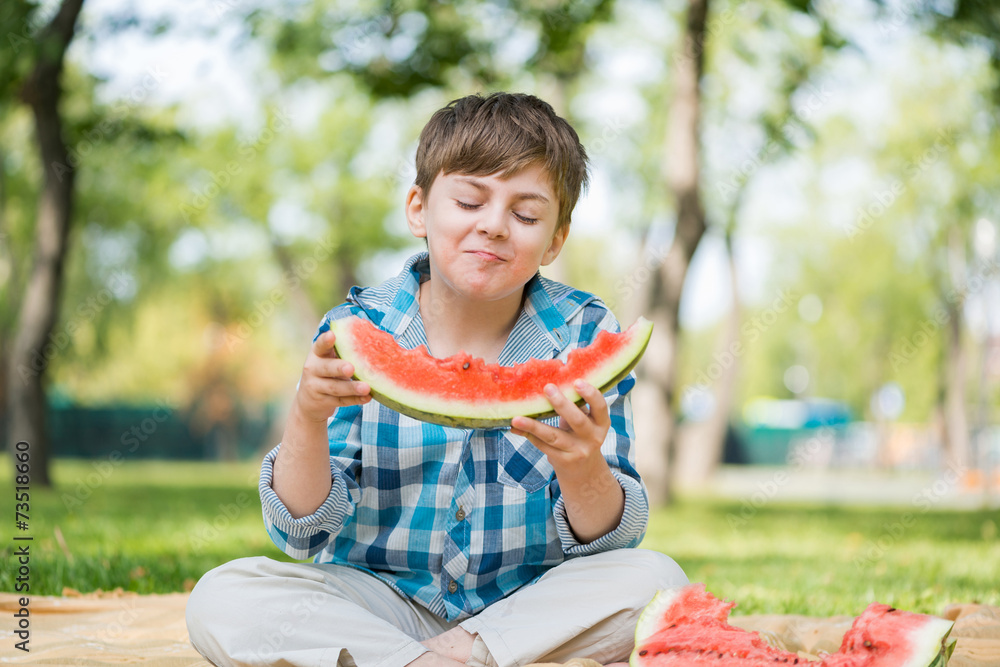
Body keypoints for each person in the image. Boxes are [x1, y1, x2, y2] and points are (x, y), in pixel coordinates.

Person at [186, 91, 687, 667]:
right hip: (379, 601)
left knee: (656, 581)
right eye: (470, 201)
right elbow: (303, 533)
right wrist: (306, 417)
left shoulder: (586, 333)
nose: (494, 226)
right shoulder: (358, 327)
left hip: (524, 608)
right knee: (223, 597)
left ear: (555, 239)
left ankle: (432, 659)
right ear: (419, 209)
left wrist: (582, 469)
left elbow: (611, 541)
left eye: (525, 215)